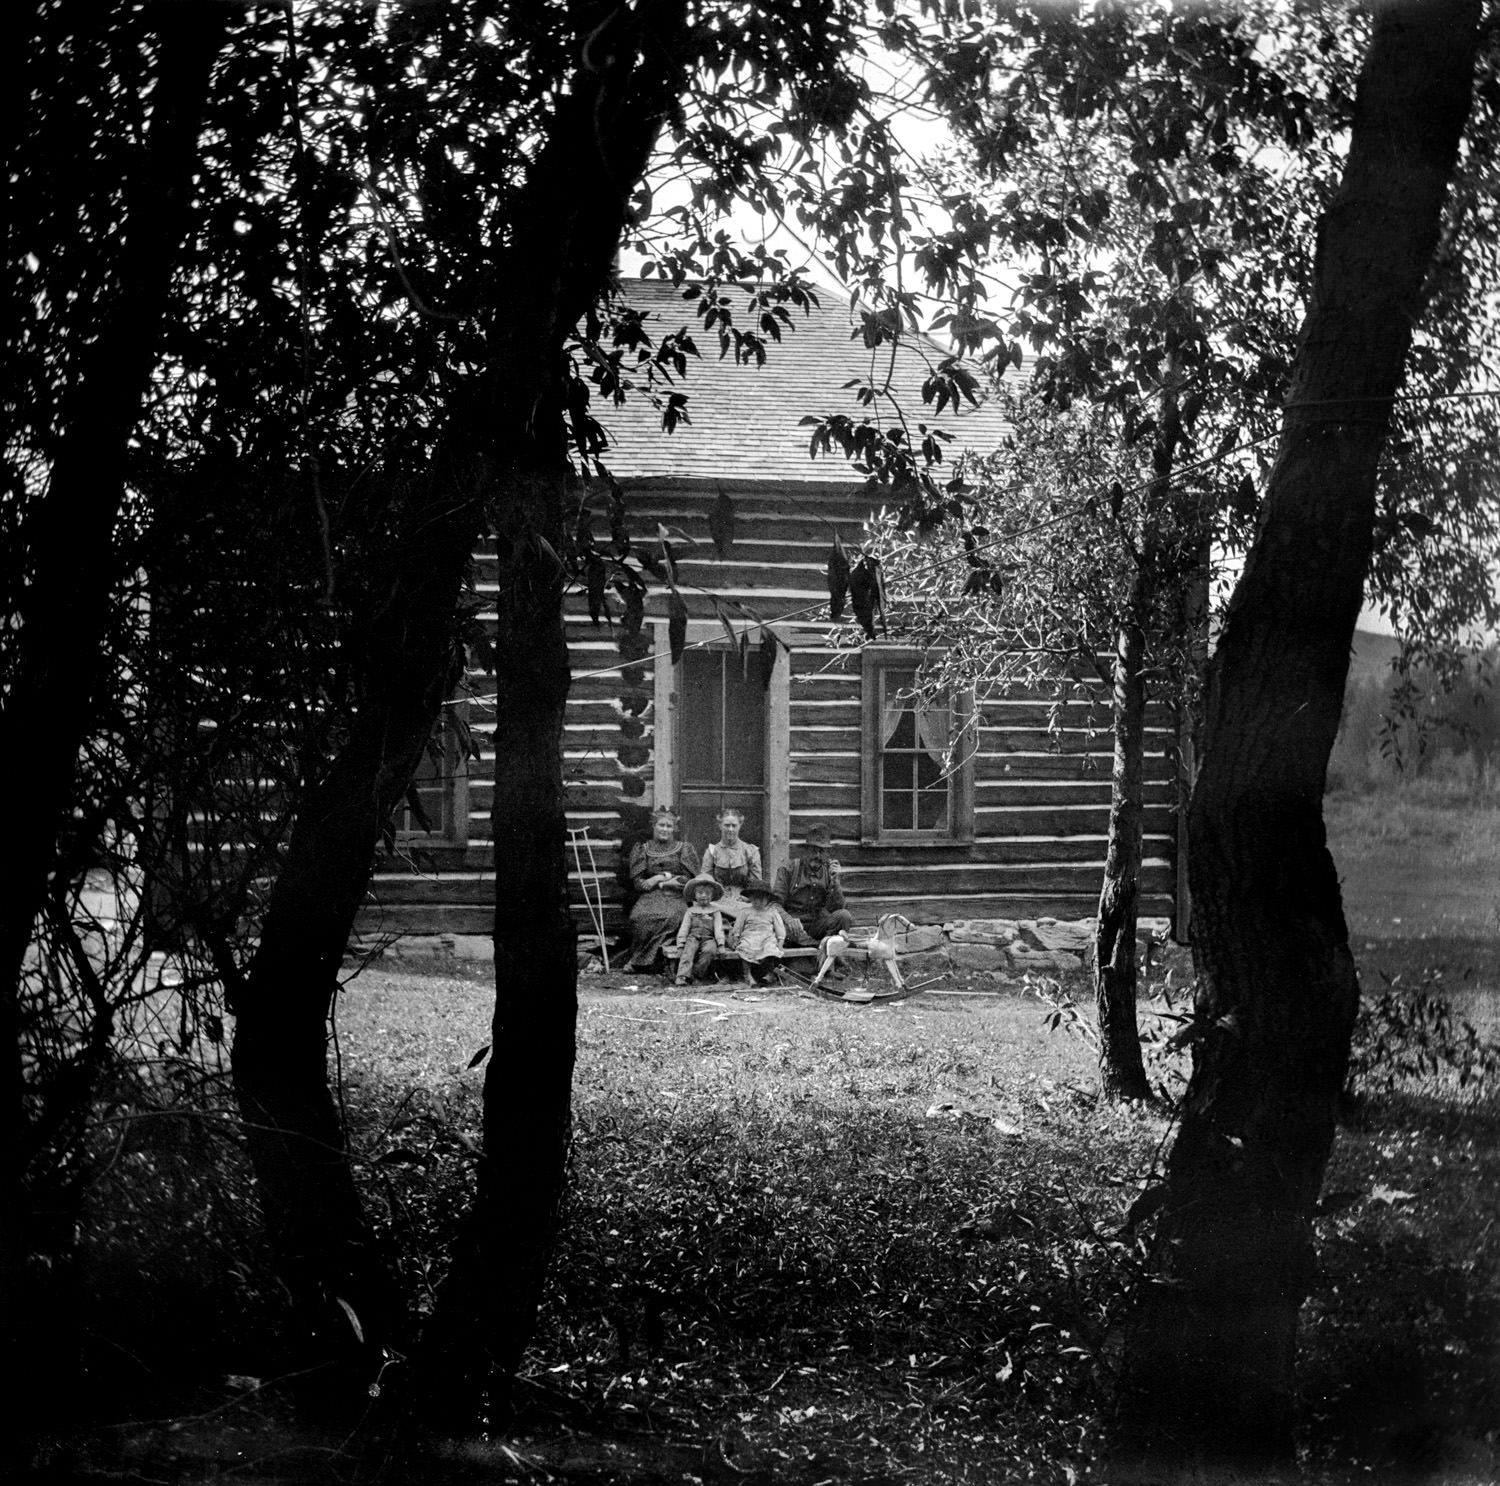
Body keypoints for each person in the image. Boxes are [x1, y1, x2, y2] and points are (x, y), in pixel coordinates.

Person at [625, 806, 698, 971]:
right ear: (654, 826)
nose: (665, 829)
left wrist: (663, 878)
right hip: (651, 896)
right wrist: (657, 882)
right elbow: (639, 883)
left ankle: (649, 962)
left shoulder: (683, 849)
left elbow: (689, 880)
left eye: (669, 826)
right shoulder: (643, 849)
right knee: (638, 917)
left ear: (674, 829)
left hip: (676, 895)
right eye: (661, 825)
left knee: (671, 917)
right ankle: (643, 960)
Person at [776, 823, 855, 946]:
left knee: (844, 916)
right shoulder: (789, 869)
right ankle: (822, 946)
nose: (817, 856)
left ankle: (821, 944)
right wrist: (789, 919)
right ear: (805, 850)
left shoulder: (828, 872)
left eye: (822, 851)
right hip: (793, 926)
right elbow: (775, 904)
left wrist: (836, 882)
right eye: (814, 850)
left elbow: (837, 908)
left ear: (827, 854)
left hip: (817, 925)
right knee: (781, 930)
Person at [699, 806, 763, 925]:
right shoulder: (712, 852)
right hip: (718, 901)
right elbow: (705, 881)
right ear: (720, 826)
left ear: (740, 826)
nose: (730, 829)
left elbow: (756, 884)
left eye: (734, 826)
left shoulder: (750, 851)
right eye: (726, 825)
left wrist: (746, 898)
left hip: (743, 901)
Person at [730, 878, 786, 984]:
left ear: (768, 899)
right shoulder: (745, 912)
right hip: (750, 936)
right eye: (755, 899)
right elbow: (738, 927)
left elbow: (780, 930)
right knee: (745, 947)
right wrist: (736, 938)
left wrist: (780, 943)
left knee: (770, 948)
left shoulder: (772, 912)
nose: (758, 902)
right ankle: (747, 975)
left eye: (762, 899)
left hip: (766, 937)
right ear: (750, 898)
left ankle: (770, 973)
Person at [673, 875, 726, 985]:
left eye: (707, 893)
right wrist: (680, 945)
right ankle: (682, 976)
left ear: (712, 896)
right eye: (700, 893)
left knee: (709, 951)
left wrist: (721, 945)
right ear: (695, 895)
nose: (703, 896)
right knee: (688, 952)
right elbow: (684, 928)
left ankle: (696, 974)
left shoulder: (715, 911)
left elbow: (718, 928)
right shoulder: (691, 911)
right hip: (693, 937)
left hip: (709, 938)